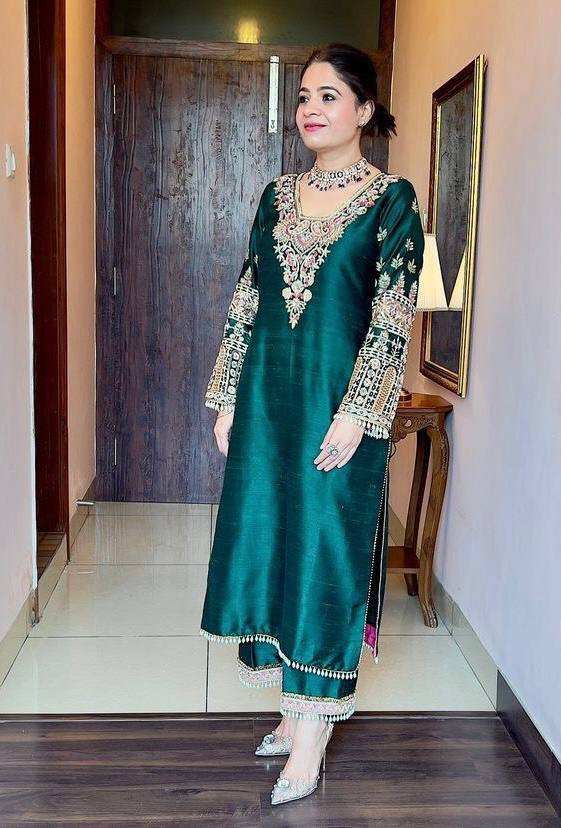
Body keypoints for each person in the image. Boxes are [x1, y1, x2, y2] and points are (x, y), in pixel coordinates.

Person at [200, 41, 424, 806]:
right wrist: (228, 398)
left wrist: (359, 414)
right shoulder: (274, 196)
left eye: (328, 96)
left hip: (337, 412)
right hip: (269, 405)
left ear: (364, 110)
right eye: (303, 96)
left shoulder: (391, 201)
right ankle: (291, 714)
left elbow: (392, 316)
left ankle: (314, 733)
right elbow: (247, 298)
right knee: (270, 545)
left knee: (325, 554)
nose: (310, 110)